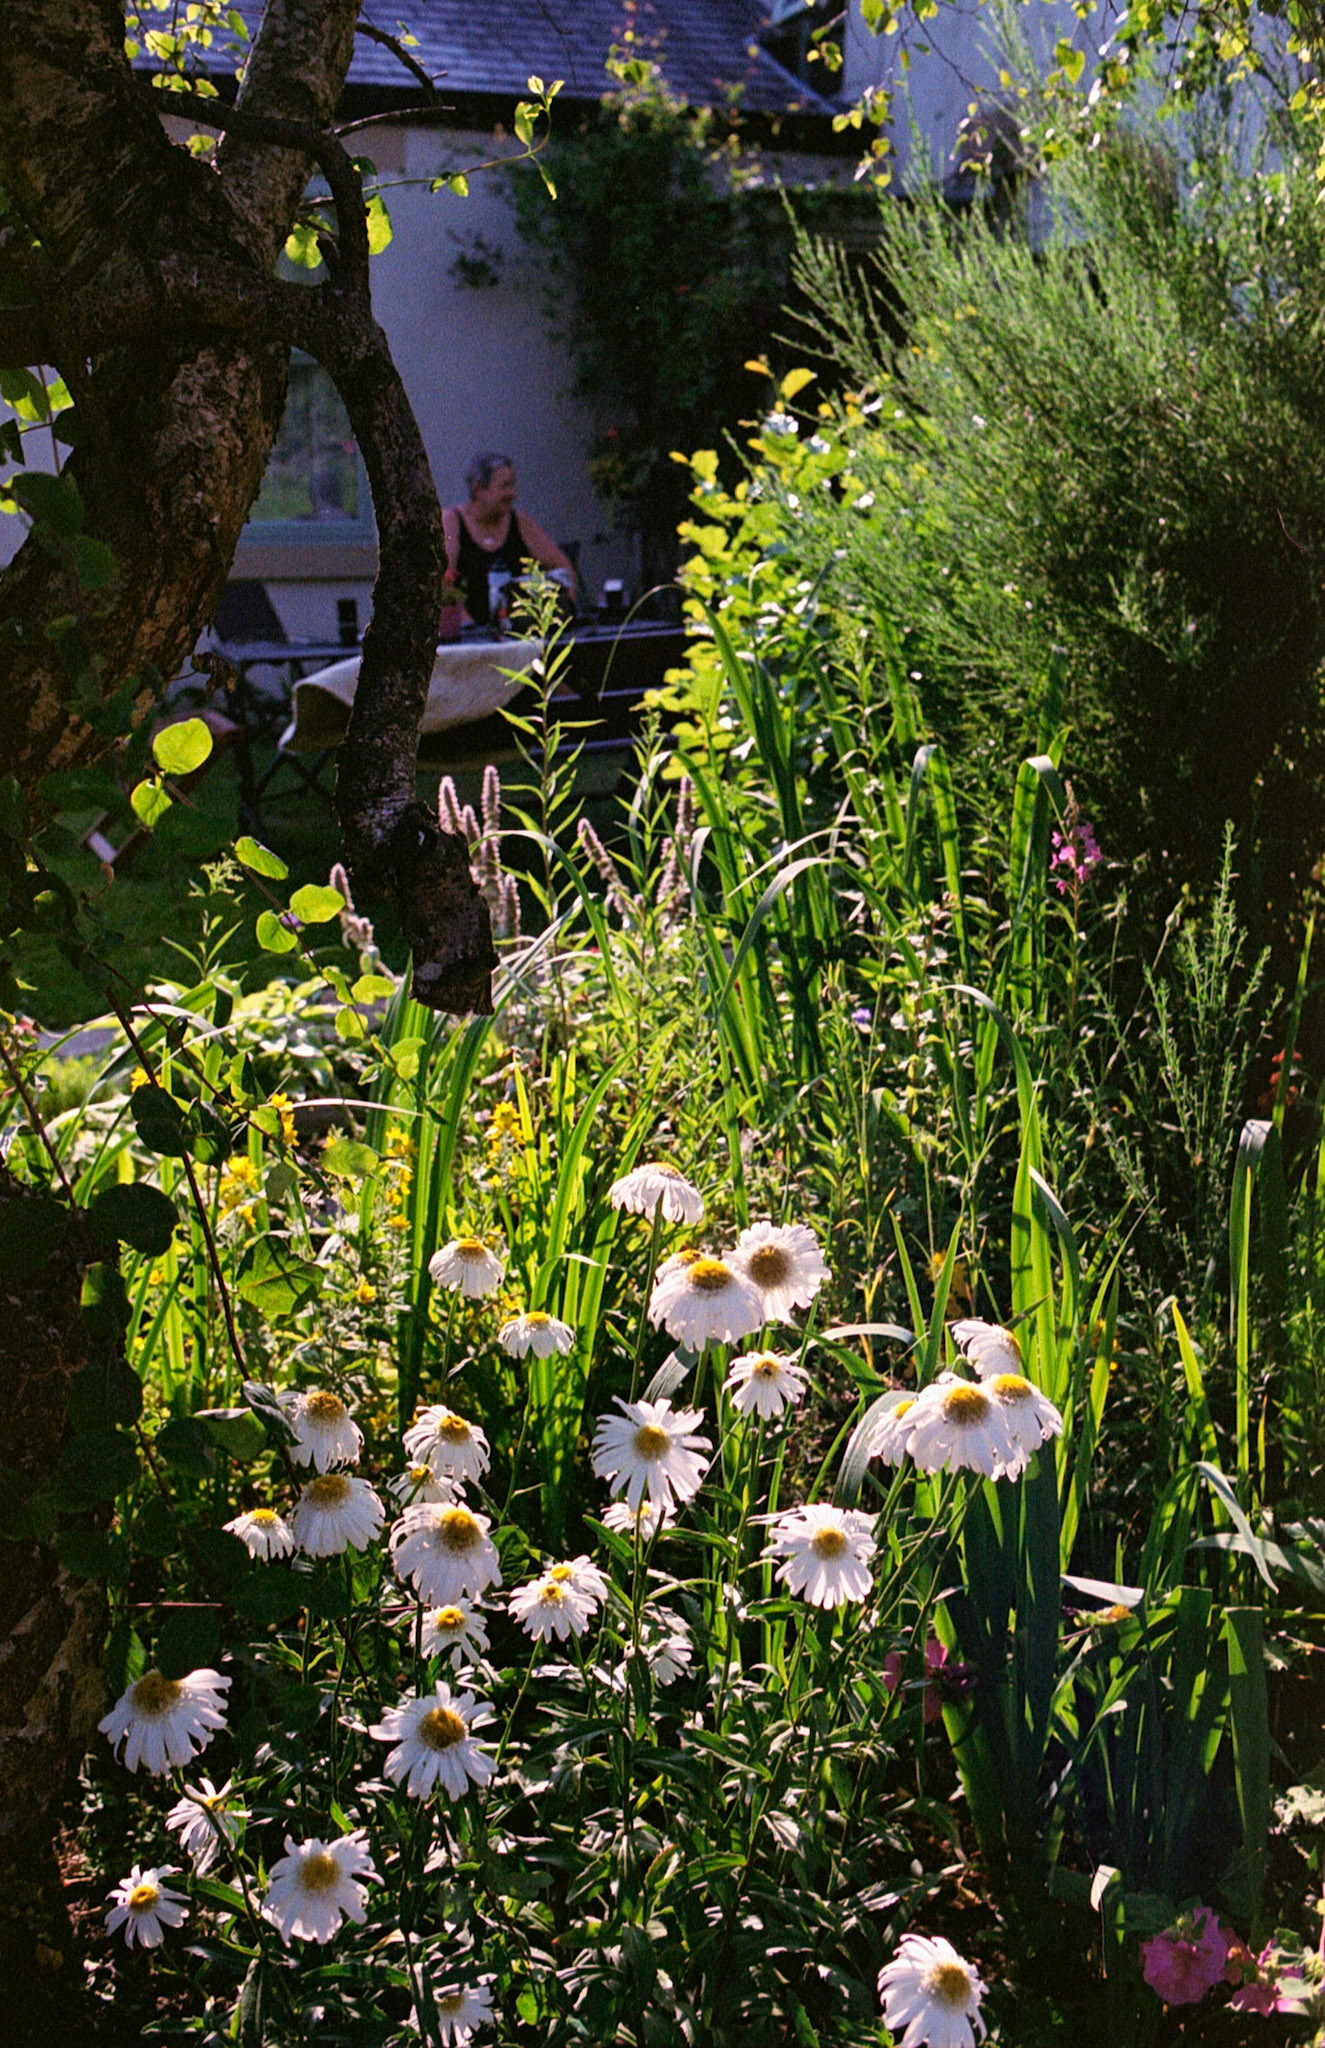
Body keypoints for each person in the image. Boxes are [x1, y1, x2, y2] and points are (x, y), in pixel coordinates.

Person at [442, 452, 577, 628]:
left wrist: (562, 614)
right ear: (478, 490)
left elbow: (563, 569)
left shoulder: (520, 522)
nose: (512, 494)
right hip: (471, 637)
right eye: (504, 486)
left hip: (519, 636)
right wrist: (468, 627)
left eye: (512, 485)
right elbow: (443, 583)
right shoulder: (451, 522)